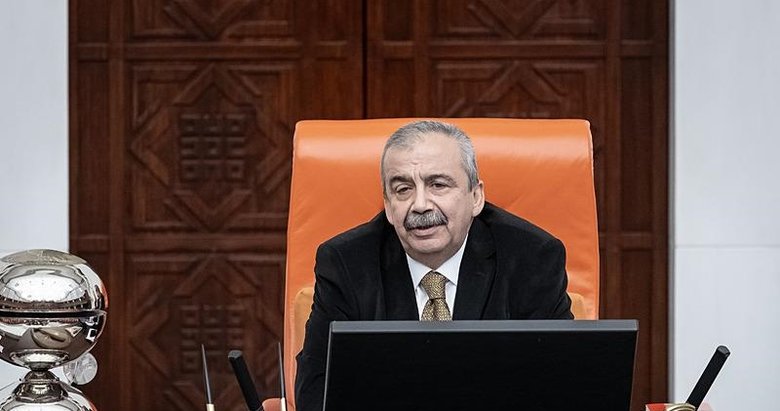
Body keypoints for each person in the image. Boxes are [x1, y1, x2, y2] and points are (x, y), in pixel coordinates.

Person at [294, 120, 573, 411]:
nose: (420, 205)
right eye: (403, 189)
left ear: (476, 197)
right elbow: (316, 392)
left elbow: (559, 384)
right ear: (387, 206)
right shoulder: (345, 264)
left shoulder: (532, 258)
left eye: (438, 185)